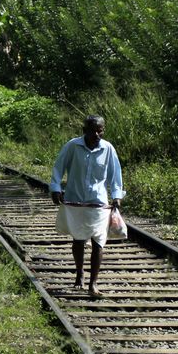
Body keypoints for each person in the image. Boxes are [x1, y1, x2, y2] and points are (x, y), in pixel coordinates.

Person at [49, 115, 124, 297]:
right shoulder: (73, 146)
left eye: (100, 130)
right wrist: (56, 188)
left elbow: (115, 174)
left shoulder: (108, 149)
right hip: (75, 200)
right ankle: (80, 272)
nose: (97, 134)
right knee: (79, 239)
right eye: (93, 131)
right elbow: (59, 167)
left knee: (99, 242)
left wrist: (116, 195)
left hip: (98, 202)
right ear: (85, 131)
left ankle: (93, 283)